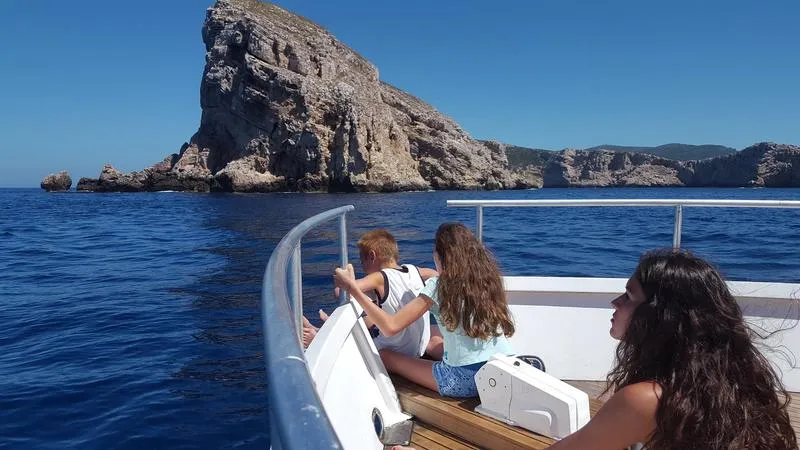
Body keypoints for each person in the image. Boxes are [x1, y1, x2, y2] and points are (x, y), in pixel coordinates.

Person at [547, 249, 797, 450]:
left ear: (661, 316)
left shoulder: (647, 399)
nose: (615, 303)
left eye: (628, 296)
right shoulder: (734, 383)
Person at [334, 223, 515, 398]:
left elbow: (391, 327)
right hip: (501, 369)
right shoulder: (488, 280)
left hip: (463, 381)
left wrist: (353, 290)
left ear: (441, 256)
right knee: (433, 334)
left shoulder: (438, 286)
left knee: (385, 356)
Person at [303, 229, 442, 359]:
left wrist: (345, 281)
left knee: (358, 334)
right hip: (417, 348)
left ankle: (318, 339)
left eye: (362, 261)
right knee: (373, 307)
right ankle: (323, 330)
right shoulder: (416, 271)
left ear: (372, 256)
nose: (362, 266)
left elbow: (341, 291)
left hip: (393, 349)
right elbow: (435, 274)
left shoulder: (378, 278)